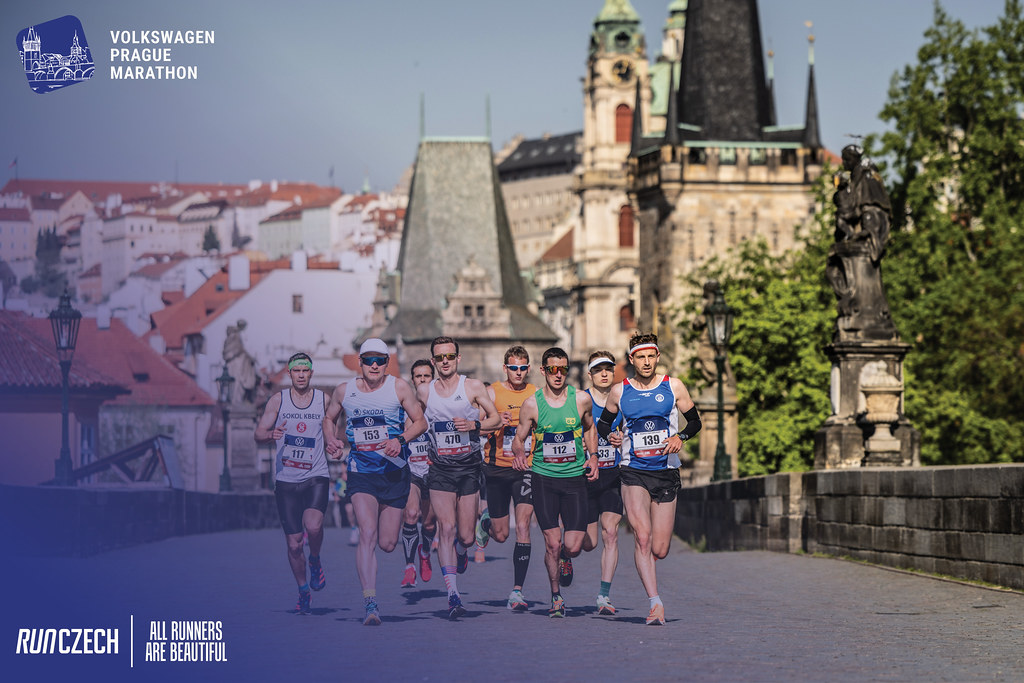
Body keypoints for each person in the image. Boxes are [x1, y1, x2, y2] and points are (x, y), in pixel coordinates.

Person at [596, 332, 702, 625]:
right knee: (642, 538)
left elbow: (695, 421)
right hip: (633, 472)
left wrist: (680, 437)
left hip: (666, 472)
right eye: (640, 357)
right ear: (632, 360)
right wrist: (612, 435)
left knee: (660, 549)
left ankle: (651, 574)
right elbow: (604, 424)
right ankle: (655, 603)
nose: (646, 362)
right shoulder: (620, 391)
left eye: (650, 356)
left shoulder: (674, 387)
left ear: (657, 357)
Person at [323, 338, 427, 626]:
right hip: (361, 473)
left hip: (394, 473)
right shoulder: (345, 391)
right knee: (367, 534)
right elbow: (328, 418)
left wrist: (400, 439)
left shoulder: (399, 387)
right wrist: (331, 439)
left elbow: (420, 422)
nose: (374, 365)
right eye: (368, 360)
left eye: (380, 360)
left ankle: (412, 544)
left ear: (386, 363)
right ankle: (371, 603)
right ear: (360, 362)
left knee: (388, 543)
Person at [416, 336, 501, 620]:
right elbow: (413, 421)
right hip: (439, 469)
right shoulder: (424, 392)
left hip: (468, 468)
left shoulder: (472, 387)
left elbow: (496, 419)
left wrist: (474, 424)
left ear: (458, 359)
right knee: (446, 529)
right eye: (439, 358)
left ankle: (464, 552)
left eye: (449, 357)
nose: (445, 362)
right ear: (433, 361)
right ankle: (453, 594)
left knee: (464, 536)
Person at [512, 347, 598, 618]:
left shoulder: (581, 399)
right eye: (552, 369)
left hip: (574, 480)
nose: (558, 375)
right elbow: (519, 436)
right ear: (543, 371)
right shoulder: (532, 404)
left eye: (563, 369)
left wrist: (593, 456)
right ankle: (556, 596)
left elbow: (590, 427)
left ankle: (564, 558)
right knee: (551, 542)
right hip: (544, 479)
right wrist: (518, 453)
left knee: (572, 546)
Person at [254, 352, 330, 616]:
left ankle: (316, 559)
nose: (300, 375)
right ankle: (303, 590)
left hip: (316, 475)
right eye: (296, 370)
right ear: (289, 373)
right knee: (294, 544)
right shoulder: (278, 400)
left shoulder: (323, 400)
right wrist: (270, 434)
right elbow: (259, 433)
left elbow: (334, 426)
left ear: (311, 373)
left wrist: (332, 441)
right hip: (286, 480)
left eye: (305, 371)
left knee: (314, 526)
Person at [478, 345, 537, 611]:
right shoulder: (492, 392)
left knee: (523, 526)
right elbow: (477, 428)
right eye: (514, 368)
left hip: (526, 468)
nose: (519, 373)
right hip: (497, 469)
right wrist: (495, 422)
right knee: (501, 535)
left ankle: (517, 591)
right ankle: (486, 521)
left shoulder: (537, 393)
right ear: (505, 368)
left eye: (523, 368)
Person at [580, 351, 624, 616]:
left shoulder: (622, 399)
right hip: (585, 478)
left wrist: (623, 439)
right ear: (590, 375)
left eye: (608, 368)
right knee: (588, 543)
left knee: (611, 533)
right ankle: (564, 552)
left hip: (612, 476)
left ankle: (604, 596)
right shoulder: (581, 400)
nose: (604, 373)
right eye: (598, 370)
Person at [399, 359, 439, 588]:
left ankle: (425, 552)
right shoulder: (404, 405)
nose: (422, 380)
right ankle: (409, 567)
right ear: (412, 380)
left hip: (434, 471)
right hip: (412, 470)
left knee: (430, 523)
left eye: (426, 376)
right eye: (418, 377)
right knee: (411, 514)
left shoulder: (439, 406)